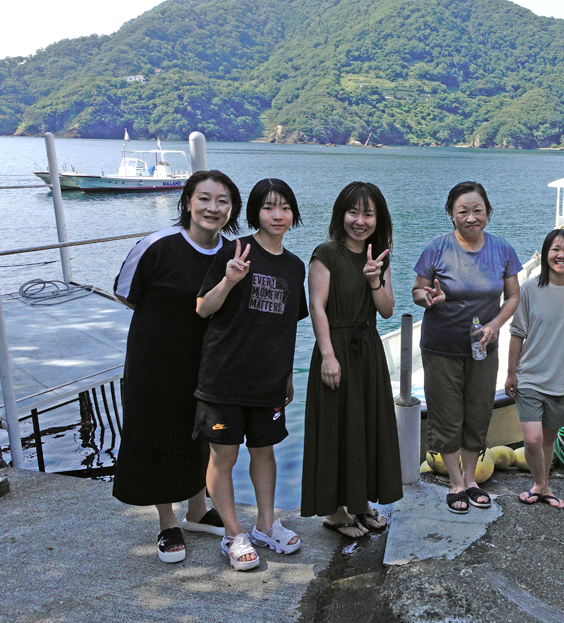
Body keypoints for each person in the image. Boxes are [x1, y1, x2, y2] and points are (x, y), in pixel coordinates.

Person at [112, 170, 242, 563]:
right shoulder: (157, 245)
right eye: (204, 198)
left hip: (206, 362)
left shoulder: (233, 252)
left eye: (222, 201)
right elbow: (125, 293)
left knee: (199, 431)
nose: (213, 208)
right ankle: (167, 521)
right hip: (155, 360)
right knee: (158, 431)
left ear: (231, 209)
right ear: (187, 201)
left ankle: (198, 509)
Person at [194, 179, 308, 571]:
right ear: (255, 212)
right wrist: (229, 279)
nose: (277, 216)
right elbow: (203, 309)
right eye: (268, 207)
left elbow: (289, 326)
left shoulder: (294, 266)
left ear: (293, 214)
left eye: (285, 208)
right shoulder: (234, 250)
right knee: (223, 456)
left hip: (269, 381)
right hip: (225, 376)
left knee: (265, 450)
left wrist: (288, 375)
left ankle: (264, 524)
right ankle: (232, 533)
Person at [412, 181, 521, 514]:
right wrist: (427, 297)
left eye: (478, 210)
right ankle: (455, 482)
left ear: (487, 212)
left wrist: (494, 325)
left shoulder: (502, 249)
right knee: (446, 415)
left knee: (477, 411)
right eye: (463, 211)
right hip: (441, 347)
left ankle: (471, 479)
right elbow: (417, 291)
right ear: (451, 214)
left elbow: (513, 296)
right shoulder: (436, 249)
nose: (471, 217)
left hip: (483, 348)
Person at [301, 181, 403, 538]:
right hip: (337, 349)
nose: (360, 221)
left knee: (365, 426)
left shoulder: (381, 257)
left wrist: (376, 280)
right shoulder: (325, 254)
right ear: (341, 214)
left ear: (379, 218)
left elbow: (388, 311)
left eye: (368, 214)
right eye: (353, 212)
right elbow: (317, 307)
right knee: (336, 428)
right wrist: (328, 356)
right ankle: (335, 511)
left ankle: (359, 503)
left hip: (368, 351)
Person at [505, 229, 564, 510]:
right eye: (555, 249)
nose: (561, 255)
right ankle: (540, 484)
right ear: (546, 254)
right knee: (532, 440)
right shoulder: (530, 289)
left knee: (548, 440)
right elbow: (517, 333)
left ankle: (541, 487)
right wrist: (510, 373)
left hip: (563, 380)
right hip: (530, 377)